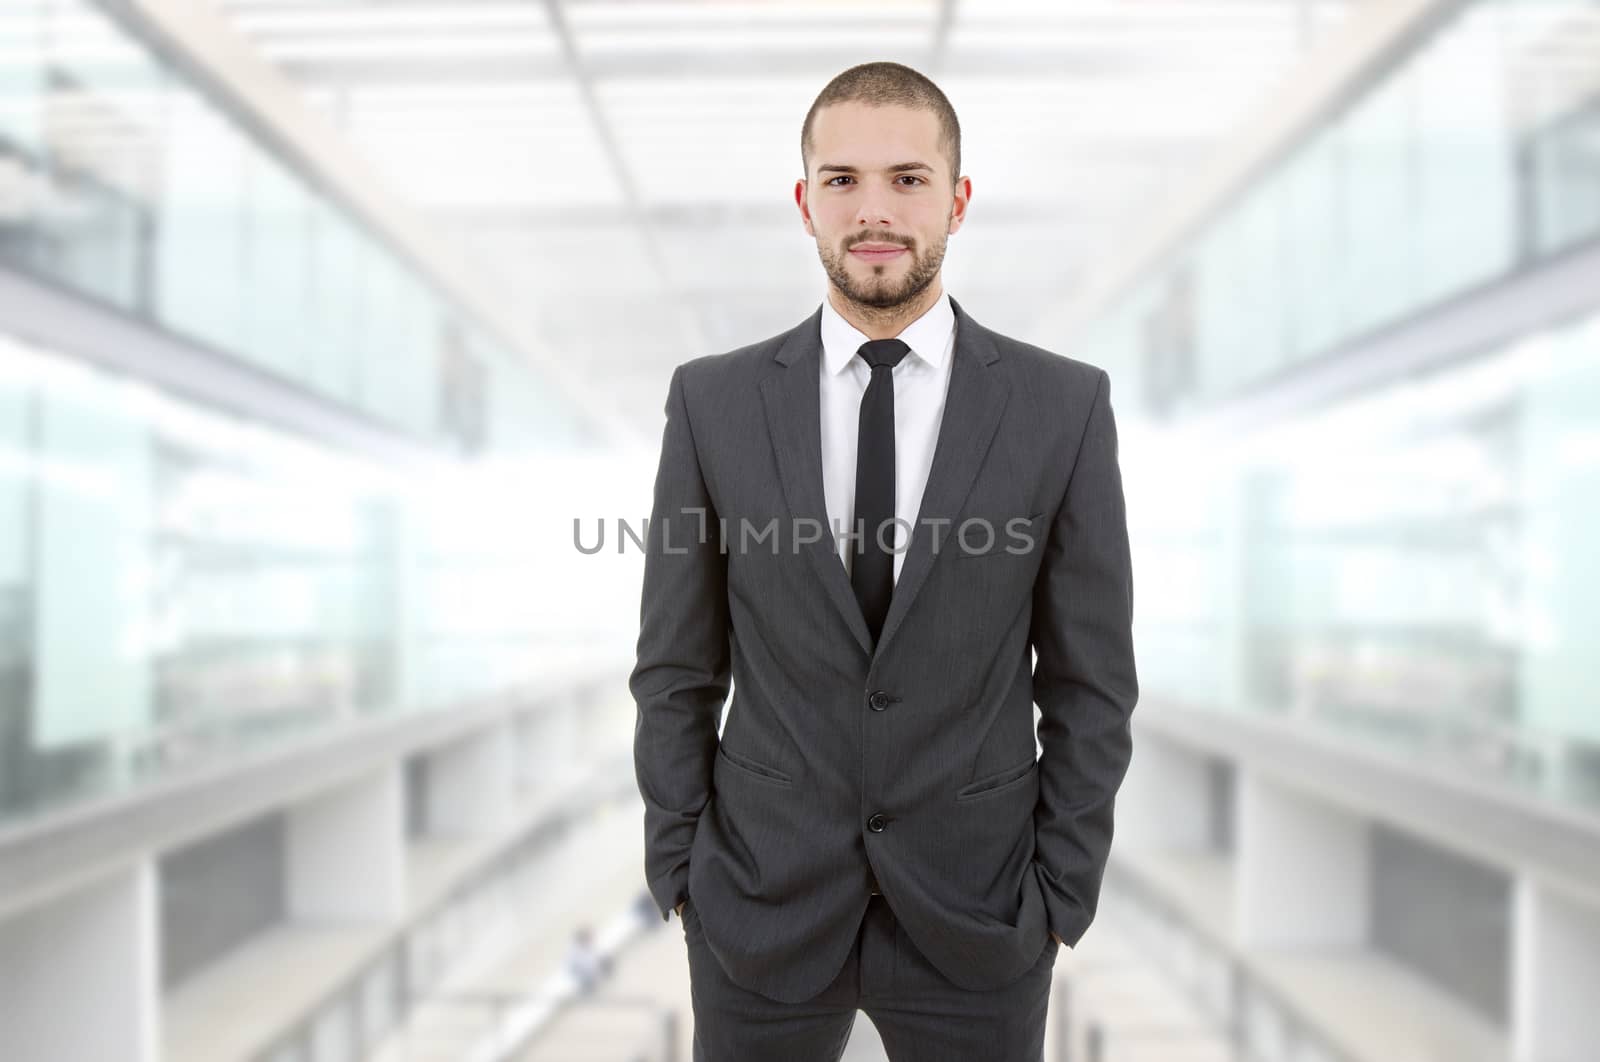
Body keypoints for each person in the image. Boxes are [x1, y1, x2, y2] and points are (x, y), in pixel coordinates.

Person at [629, 59, 1138, 1062]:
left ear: (956, 200)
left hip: (980, 912)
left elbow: (1090, 683)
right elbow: (676, 667)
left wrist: (1059, 895)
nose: (873, 211)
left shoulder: (1061, 409)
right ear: (803, 202)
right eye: (842, 181)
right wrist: (682, 871)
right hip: (757, 908)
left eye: (907, 180)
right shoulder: (712, 404)